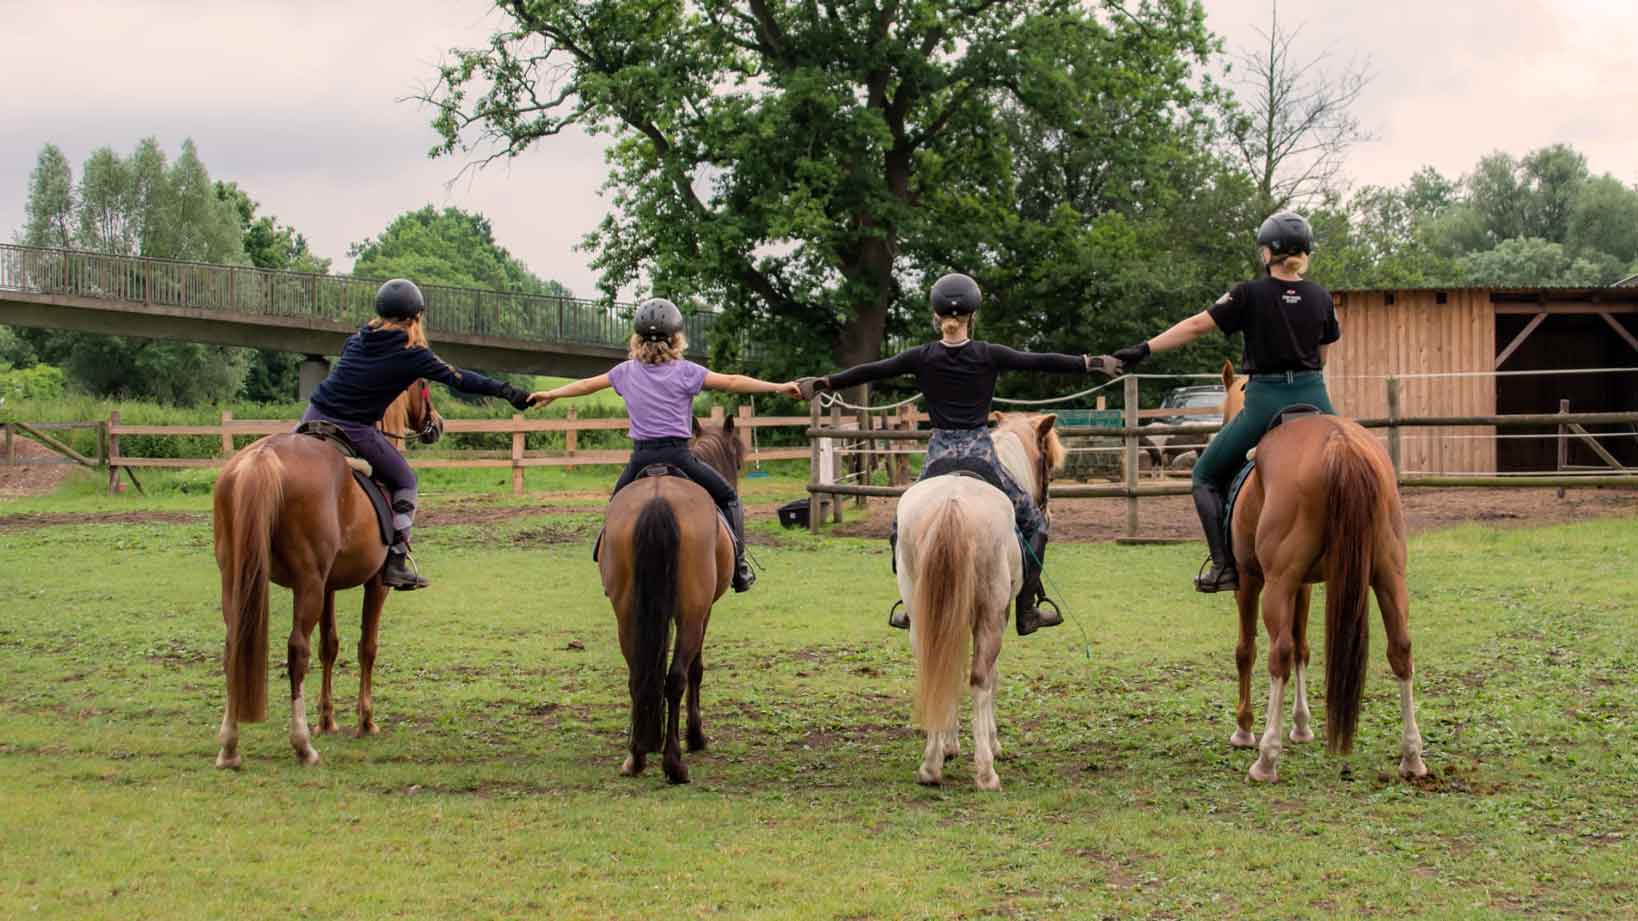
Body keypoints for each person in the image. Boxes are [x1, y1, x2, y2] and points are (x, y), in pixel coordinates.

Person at [800, 273, 1103, 636]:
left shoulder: (920, 356)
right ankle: (1027, 610)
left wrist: (824, 383)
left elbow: (871, 370)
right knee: (1034, 522)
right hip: (981, 455)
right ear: (972, 316)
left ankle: (910, 605)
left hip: (939, 456)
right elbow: (1040, 361)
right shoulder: (989, 354)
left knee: (901, 525)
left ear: (936, 315)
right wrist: (1089, 362)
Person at [1100, 210, 1340, 593]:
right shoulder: (1321, 297)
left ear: (1267, 252)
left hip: (1265, 402)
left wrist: (1144, 349)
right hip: (1316, 397)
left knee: (1205, 476)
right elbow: (1323, 357)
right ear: (1305, 253)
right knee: (1358, 461)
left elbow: (1197, 325)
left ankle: (1224, 566)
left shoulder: (1248, 293)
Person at [530, 298, 798, 593]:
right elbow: (733, 381)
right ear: (676, 339)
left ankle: (608, 566)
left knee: (616, 507)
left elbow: (585, 385)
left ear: (636, 339)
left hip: (640, 458)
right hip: (679, 457)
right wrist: (778, 387)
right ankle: (740, 568)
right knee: (729, 497)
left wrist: (552, 393)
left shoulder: (624, 372)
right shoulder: (687, 371)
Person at [303, 278, 540, 590]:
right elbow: (461, 379)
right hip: (355, 429)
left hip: (312, 417)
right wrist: (510, 392)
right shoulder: (412, 353)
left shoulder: (357, 339)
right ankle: (396, 560)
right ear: (416, 317)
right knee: (406, 481)